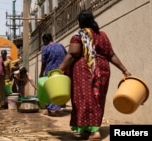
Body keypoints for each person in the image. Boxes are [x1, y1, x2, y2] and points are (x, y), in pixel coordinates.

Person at [58, 10, 131, 140]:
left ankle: (94, 132)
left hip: (84, 70)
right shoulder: (102, 35)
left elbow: (72, 54)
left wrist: (59, 69)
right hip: (102, 70)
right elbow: (111, 55)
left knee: (84, 99)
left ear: (80, 22)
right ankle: (89, 129)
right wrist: (124, 69)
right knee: (97, 99)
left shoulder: (79, 35)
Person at [39, 33, 67, 116]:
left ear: (45, 40)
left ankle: (50, 110)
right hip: (60, 71)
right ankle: (58, 109)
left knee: (49, 90)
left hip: (50, 72)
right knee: (59, 89)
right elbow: (66, 56)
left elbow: (43, 63)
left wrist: (41, 74)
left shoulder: (46, 48)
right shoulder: (60, 46)